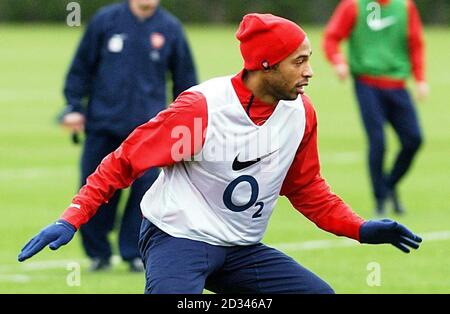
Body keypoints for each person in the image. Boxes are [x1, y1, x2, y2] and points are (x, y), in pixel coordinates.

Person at [19, 13, 422, 294]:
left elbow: (305, 188)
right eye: (298, 61)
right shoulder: (203, 110)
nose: (309, 71)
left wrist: (360, 228)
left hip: (241, 250)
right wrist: (72, 219)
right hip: (178, 238)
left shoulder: (300, 113)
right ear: (265, 65)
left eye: (309, 60)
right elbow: (124, 162)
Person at [60, 0, 197, 272]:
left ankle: (133, 252)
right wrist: (74, 106)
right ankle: (98, 253)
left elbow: (185, 80)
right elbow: (81, 67)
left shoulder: (170, 28)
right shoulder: (105, 21)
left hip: (148, 131)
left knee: (146, 192)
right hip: (103, 123)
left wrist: (190, 122)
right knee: (95, 187)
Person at [323, 0, 428, 216]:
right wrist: (338, 61)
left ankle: (388, 185)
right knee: (378, 141)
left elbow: (415, 43)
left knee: (413, 139)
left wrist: (420, 79)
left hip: (397, 85)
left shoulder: (405, 7)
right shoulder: (353, 5)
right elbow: (331, 37)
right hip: (367, 83)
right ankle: (380, 200)